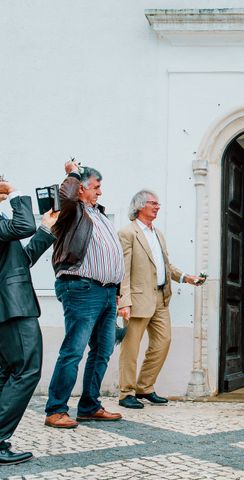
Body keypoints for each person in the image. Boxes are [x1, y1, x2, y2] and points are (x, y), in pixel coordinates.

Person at [45, 160, 124, 428]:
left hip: (106, 292)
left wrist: (117, 293)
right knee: (73, 351)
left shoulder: (99, 213)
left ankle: (89, 406)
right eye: (96, 187)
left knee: (102, 351)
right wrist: (72, 173)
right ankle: (55, 409)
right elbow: (64, 195)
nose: (100, 192)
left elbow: (112, 255)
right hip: (81, 288)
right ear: (81, 189)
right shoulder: (70, 211)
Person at [117, 190, 204, 409]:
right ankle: (126, 392)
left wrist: (185, 278)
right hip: (137, 300)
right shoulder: (127, 233)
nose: (157, 207)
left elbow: (166, 266)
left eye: (158, 204)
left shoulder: (158, 234)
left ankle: (145, 387)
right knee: (131, 348)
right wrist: (124, 301)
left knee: (163, 341)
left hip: (161, 298)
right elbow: (123, 271)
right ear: (139, 206)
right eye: (153, 203)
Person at [0, 181, 57, 465]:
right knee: (26, 369)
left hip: (12, 305)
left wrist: (46, 229)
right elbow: (23, 226)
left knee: (7, 373)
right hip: (11, 307)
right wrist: (15, 192)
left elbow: (20, 261)